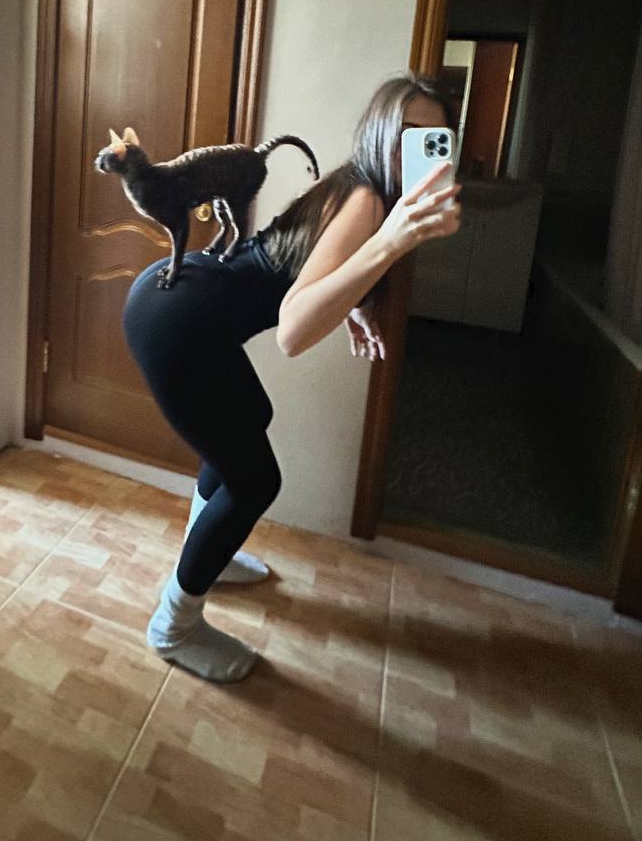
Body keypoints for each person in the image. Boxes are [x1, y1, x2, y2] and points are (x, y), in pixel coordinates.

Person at [122, 72, 462, 682]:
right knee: (255, 481)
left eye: (432, 138)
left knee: (249, 424)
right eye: (405, 132)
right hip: (178, 320)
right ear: (379, 131)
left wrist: (354, 304)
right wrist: (390, 243)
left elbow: (304, 262)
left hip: (182, 301)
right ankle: (173, 625)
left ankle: (209, 551)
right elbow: (293, 330)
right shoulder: (371, 202)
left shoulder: (361, 188)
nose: (414, 147)